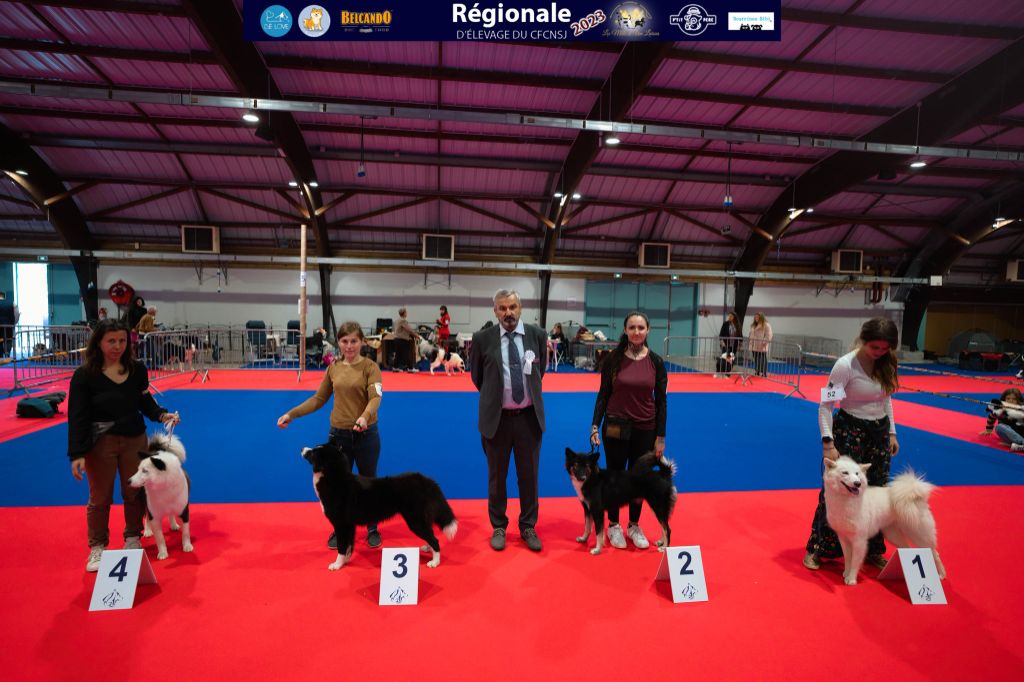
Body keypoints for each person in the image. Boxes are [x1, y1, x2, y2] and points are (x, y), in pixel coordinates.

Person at [67, 319, 180, 572]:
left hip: (134, 439)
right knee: (100, 497)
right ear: (98, 342)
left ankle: (133, 538)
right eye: (111, 341)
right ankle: (97, 547)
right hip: (100, 443)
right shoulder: (84, 375)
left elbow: (146, 403)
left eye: (122, 341)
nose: (117, 346)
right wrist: (77, 453)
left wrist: (163, 415)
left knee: (134, 492)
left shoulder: (137, 370)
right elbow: (77, 416)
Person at [804, 318, 901, 571]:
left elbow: (886, 399)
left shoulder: (887, 363)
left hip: (879, 433)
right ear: (863, 340)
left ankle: (872, 550)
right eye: (874, 347)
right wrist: (828, 442)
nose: (879, 352)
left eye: (885, 348)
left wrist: (892, 433)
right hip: (849, 431)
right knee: (837, 492)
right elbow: (826, 406)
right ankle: (819, 548)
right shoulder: (844, 366)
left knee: (877, 493)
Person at [278, 321, 384, 549]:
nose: (349, 346)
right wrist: (291, 414)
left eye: (354, 341)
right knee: (338, 485)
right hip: (338, 437)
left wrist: (364, 417)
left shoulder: (370, 367)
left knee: (368, 482)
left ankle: (372, 526)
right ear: (339, 343)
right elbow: (318, 399)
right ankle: (340, 528)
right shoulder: (333, 368)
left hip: (366, 434)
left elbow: (376, 398)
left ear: (362, 342)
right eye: (345, 341)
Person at [471, 289, 546, 552]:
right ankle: (499, 526)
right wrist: (496, 398)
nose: (508, 313)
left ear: (520, 308)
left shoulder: (537, 335)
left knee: (529, 477)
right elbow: (477, 377)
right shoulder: (482, 339)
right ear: (495, 311)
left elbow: (540, 372)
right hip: (497, 420)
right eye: (502, 308)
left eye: (512, 307)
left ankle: (528, 526)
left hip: (528, 419)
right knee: (496, 477)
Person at [589, 311, 668, 550]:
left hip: (646, 427)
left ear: (648, 330)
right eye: (632, 327)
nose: (636, 332)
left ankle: (634, 525)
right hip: (615, 426)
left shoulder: (656, 362)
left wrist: (660, 436)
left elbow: (661, 401)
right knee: (614, 476)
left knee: (639, 479)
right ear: (625, 330)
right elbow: (603, 394)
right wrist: (594, 425)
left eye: (640, 327)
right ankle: (614, 525)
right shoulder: (613, 359)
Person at [980, 387, 1024, 453]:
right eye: (1008, 398)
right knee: (999, 427)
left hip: (1021, 433)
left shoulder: (1021, 409)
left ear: (1018, 400)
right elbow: (991, 417)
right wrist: (988, 429)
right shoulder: (1000, 409)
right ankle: (1020, 444)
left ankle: (1019, 446)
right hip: (1010, 435)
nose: (1011, 401)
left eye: (1014, 399)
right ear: (1004, 399)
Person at [391, 307, 420, 372]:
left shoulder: (396, 320)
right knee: (407, 354)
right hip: (402, 340)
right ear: (404, 313)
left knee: (398, 354)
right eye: (406, 312)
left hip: (396, 339)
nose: (407, 313)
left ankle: (395, 367)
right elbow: (409, 330)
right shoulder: (403, 321)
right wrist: (417, 336)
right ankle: (410, 368)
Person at [748, 312, 773, 377]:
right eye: (755, 317)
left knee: (762, 359)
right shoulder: (753, 325)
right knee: (756, 359)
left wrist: (764, 343)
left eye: (757, 317)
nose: (756, 318)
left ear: (761, 317)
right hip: (754, 345)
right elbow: (751, 334)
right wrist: (750, 341)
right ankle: (757, 371)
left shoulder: (766, 325)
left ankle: (764, 372)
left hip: (761, 346)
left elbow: (769, 335)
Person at [716, 311, 740, 377]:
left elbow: (740, 334)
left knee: (731, 359)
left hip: (734, 345)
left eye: (731, 316)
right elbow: (721, 334)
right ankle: (724, 371)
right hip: (725, 344)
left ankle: (728, 371)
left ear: (734, 317)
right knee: (725, 358)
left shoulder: (737, 325)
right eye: (729, 316)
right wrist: (722, 342)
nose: (729, 317)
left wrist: (740, 343)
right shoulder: (725, 324)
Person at [0, 290, 18, 357]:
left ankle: (1, 355)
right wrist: (14, 323)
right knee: (8, 340)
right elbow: (16, 314)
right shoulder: (12, 303)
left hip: (0, 326)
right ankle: (7, 354)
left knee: (0, 341)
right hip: (9, 326)